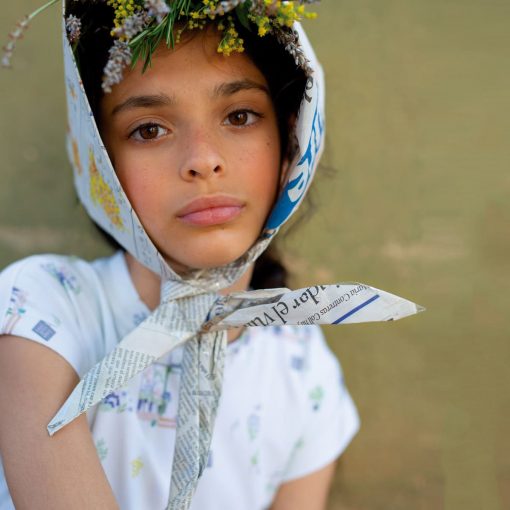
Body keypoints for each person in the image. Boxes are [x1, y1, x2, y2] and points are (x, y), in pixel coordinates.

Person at [0, 1, 420, 509]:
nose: (203, 160)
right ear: (99, 161)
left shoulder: (302, 368)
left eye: (240, 116)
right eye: (149, 129)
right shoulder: (41, 313)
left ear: (291, 138)